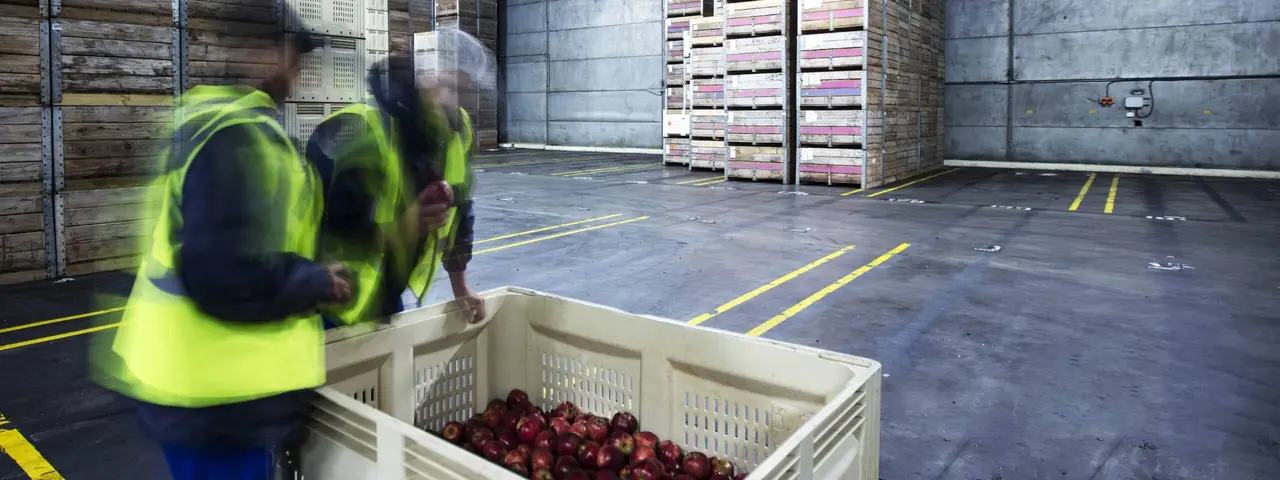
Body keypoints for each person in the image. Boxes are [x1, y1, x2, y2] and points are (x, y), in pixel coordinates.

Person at [90, 5, 352, 479]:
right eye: (292, 56)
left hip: (197, 386)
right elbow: (223, 272)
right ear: (260, 54)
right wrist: (312, 281)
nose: (297, 70)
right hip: (215, 395)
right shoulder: (236, 138)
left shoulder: (209, 118)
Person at [307, 30, 495, 326]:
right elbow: (325, 227)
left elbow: (461, 213)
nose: (449, 100)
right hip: (331, 300)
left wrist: (461, 287)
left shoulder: (458, 132)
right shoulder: (364, 128)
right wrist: (400, 229)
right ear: (419, 77)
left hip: (388, 295)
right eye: (444, 84)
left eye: (461, 90)